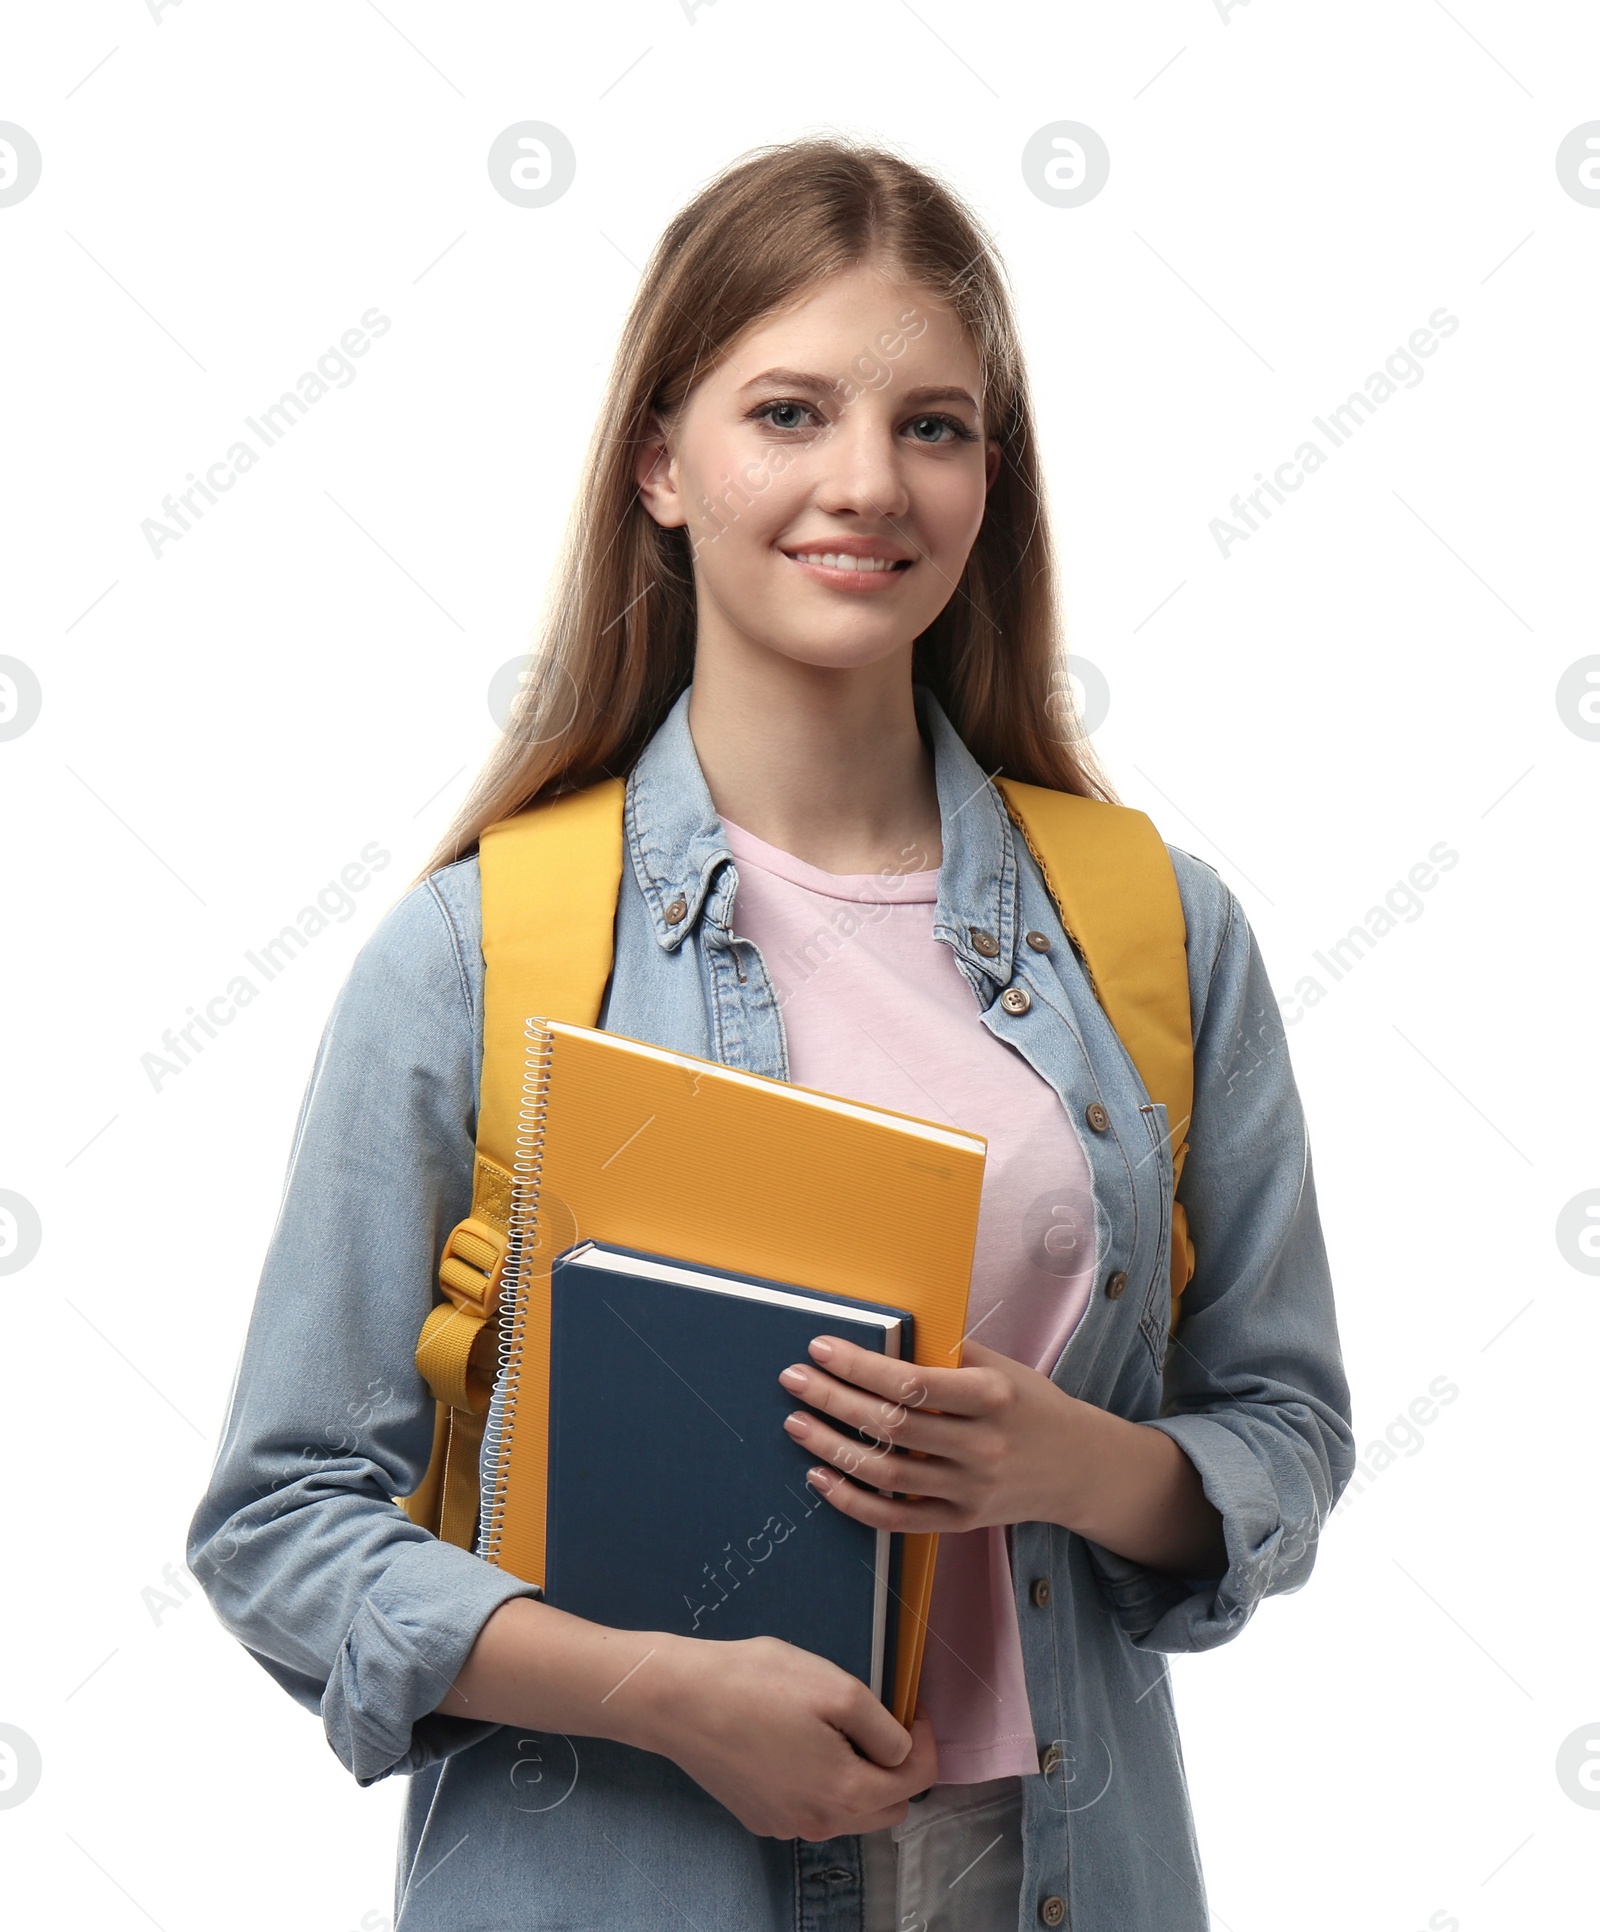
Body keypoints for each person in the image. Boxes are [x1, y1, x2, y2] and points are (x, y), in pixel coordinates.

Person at [189, 135, 1354, 1932]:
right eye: (789, 413)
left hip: (1054, 1876)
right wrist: (662, 1694)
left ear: (990, 476)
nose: (868, 484)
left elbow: (1280, 1421)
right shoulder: (481, 951)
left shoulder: (1159, 931)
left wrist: (1084, 1464)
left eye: (937, 425)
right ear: (662, 461)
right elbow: (279, 1521)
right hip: (622, 1874)